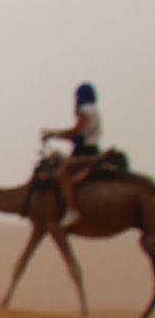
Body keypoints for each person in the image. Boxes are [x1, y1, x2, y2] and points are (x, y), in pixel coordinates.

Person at [43, 83, 105, 219]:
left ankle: (72, 210)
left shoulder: (85, 110)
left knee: (62, 173)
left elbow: (75, 131)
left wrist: (52, 134)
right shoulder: (94, 110)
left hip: (85, 152)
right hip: (90, 149)